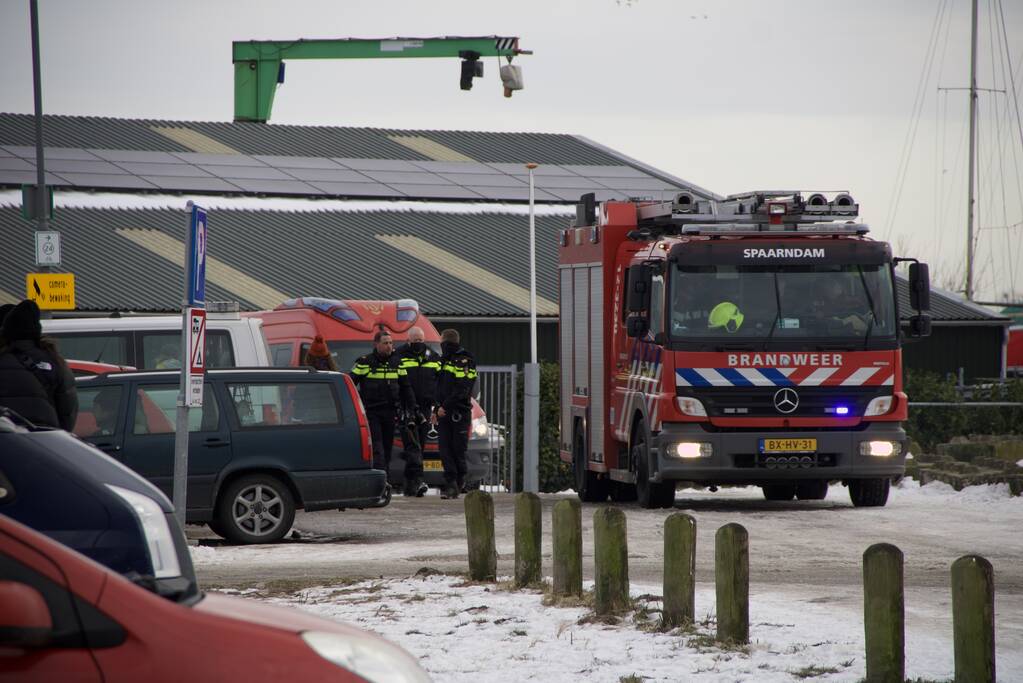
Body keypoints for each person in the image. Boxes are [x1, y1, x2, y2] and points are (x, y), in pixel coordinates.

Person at [0, 299, 78, 430]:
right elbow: (68, 411)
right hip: (45, 439)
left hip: (8, 442)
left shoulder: (3, 360)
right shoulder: (55, 361)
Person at [350, 329, 415, 485]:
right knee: (377, 446)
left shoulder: (397, 363)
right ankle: (380, 480)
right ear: (376, 344)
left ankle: (385, 478)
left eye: (391, 343)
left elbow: (406, 388)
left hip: (391, 411)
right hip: (371, 411)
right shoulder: (364, 362)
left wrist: (412, 408)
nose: (389, 346)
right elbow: (351, 384)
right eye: (385, 343)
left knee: (387, 447)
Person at [395, 326, 439, 497]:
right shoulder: (399, 355)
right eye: (415, 341)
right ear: (408, 340)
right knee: (413, 446)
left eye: (421, 340)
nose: (418, 344)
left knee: (418, 445)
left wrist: (437, 404)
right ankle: (418, 480)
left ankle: (410, 485)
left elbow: (439, 380)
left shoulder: (432, 356)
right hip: (407, 408)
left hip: (426, 408)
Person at [434, 328, 477, 499]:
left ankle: (458, 481)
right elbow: (436, 388)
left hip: (458, 412)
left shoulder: (465, 360)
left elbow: (463, 388)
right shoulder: (442, 361)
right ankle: (451, 483)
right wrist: (437, 407)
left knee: (457, 450)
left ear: (443, 341)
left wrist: (444, 406)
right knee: (445, 450)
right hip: (443, 412)